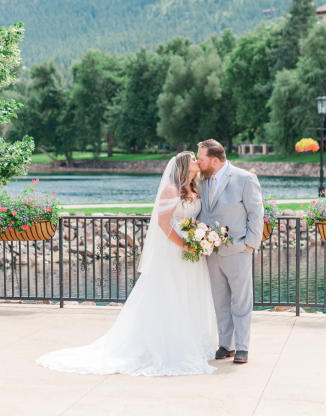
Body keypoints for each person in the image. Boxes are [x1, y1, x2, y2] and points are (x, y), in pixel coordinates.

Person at [36, 151, 218, 376]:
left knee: (188, 293)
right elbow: (162, 223)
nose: (197, 161)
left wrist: (200, 236)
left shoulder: (195, 188)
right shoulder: (172, 189)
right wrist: (184, 244)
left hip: (190, 249)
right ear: (183, 164)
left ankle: (191, 341)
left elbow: (193, 218)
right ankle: (167, 345)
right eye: (193, 158)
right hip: (173, 249)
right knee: (170, 294)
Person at [196, 139, 264, 365]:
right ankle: (226, 345)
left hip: (238, 250)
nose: (198, 162)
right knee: (220, 301)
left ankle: (243, 347)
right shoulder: (202, 180)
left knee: (241, 302)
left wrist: (250, 245)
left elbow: (256, 212)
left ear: (214, 160)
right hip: (211, 252)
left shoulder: (245, 179)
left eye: (201, 158)